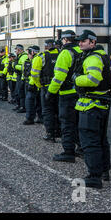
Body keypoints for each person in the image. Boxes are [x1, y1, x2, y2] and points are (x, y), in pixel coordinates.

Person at [73, 30, 111, 189]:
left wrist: (77, 79)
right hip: (102, 104)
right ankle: (104, 171)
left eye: (83, 41)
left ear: (93, 42)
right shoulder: (103, 56)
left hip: (91, 105)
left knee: (90, 140)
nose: (80, 43)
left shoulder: (93, 58)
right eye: (79, 41)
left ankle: (94, 176)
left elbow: (93, 79)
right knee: (101, 138)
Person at [46, 30, 83, 163]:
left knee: (67, 123)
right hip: (81, 93)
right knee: (79, 122)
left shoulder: (65, 53)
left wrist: (50, 92)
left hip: (67, 94)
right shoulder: (81, 51)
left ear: (65, 40)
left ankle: (68, 151)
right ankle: (81, 148)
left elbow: (59, 77)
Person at [33, 39, 60, 142]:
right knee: (58, 110)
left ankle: (50, 134)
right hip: (60, 87)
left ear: (45, 46)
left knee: (48, 110)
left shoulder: (41, 56)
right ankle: (59, 131)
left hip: (46, 87)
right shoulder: (62, 54)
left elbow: (35, 74)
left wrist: (39, 85)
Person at [23, 46, 42, 125]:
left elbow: (34, 74)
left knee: (29, 102)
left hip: (33, 84)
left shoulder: (35, 60)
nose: (28, 55)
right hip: (39, 85)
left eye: (28, 53)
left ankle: (30, 118)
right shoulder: (40, 58)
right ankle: (40, 117)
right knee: (39, 102)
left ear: (32, 53)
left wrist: (31, 84)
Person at [13, 45, 28, 113]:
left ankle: (23, 106)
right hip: (18, 76)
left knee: (21, 92)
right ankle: (19, 105)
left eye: (16, 50)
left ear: (20, 50)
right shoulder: (19, 56)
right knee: (17, 92)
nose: (16, 51)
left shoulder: (24, 56)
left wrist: (16, 66)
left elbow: (24, 67)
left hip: (22, 77)